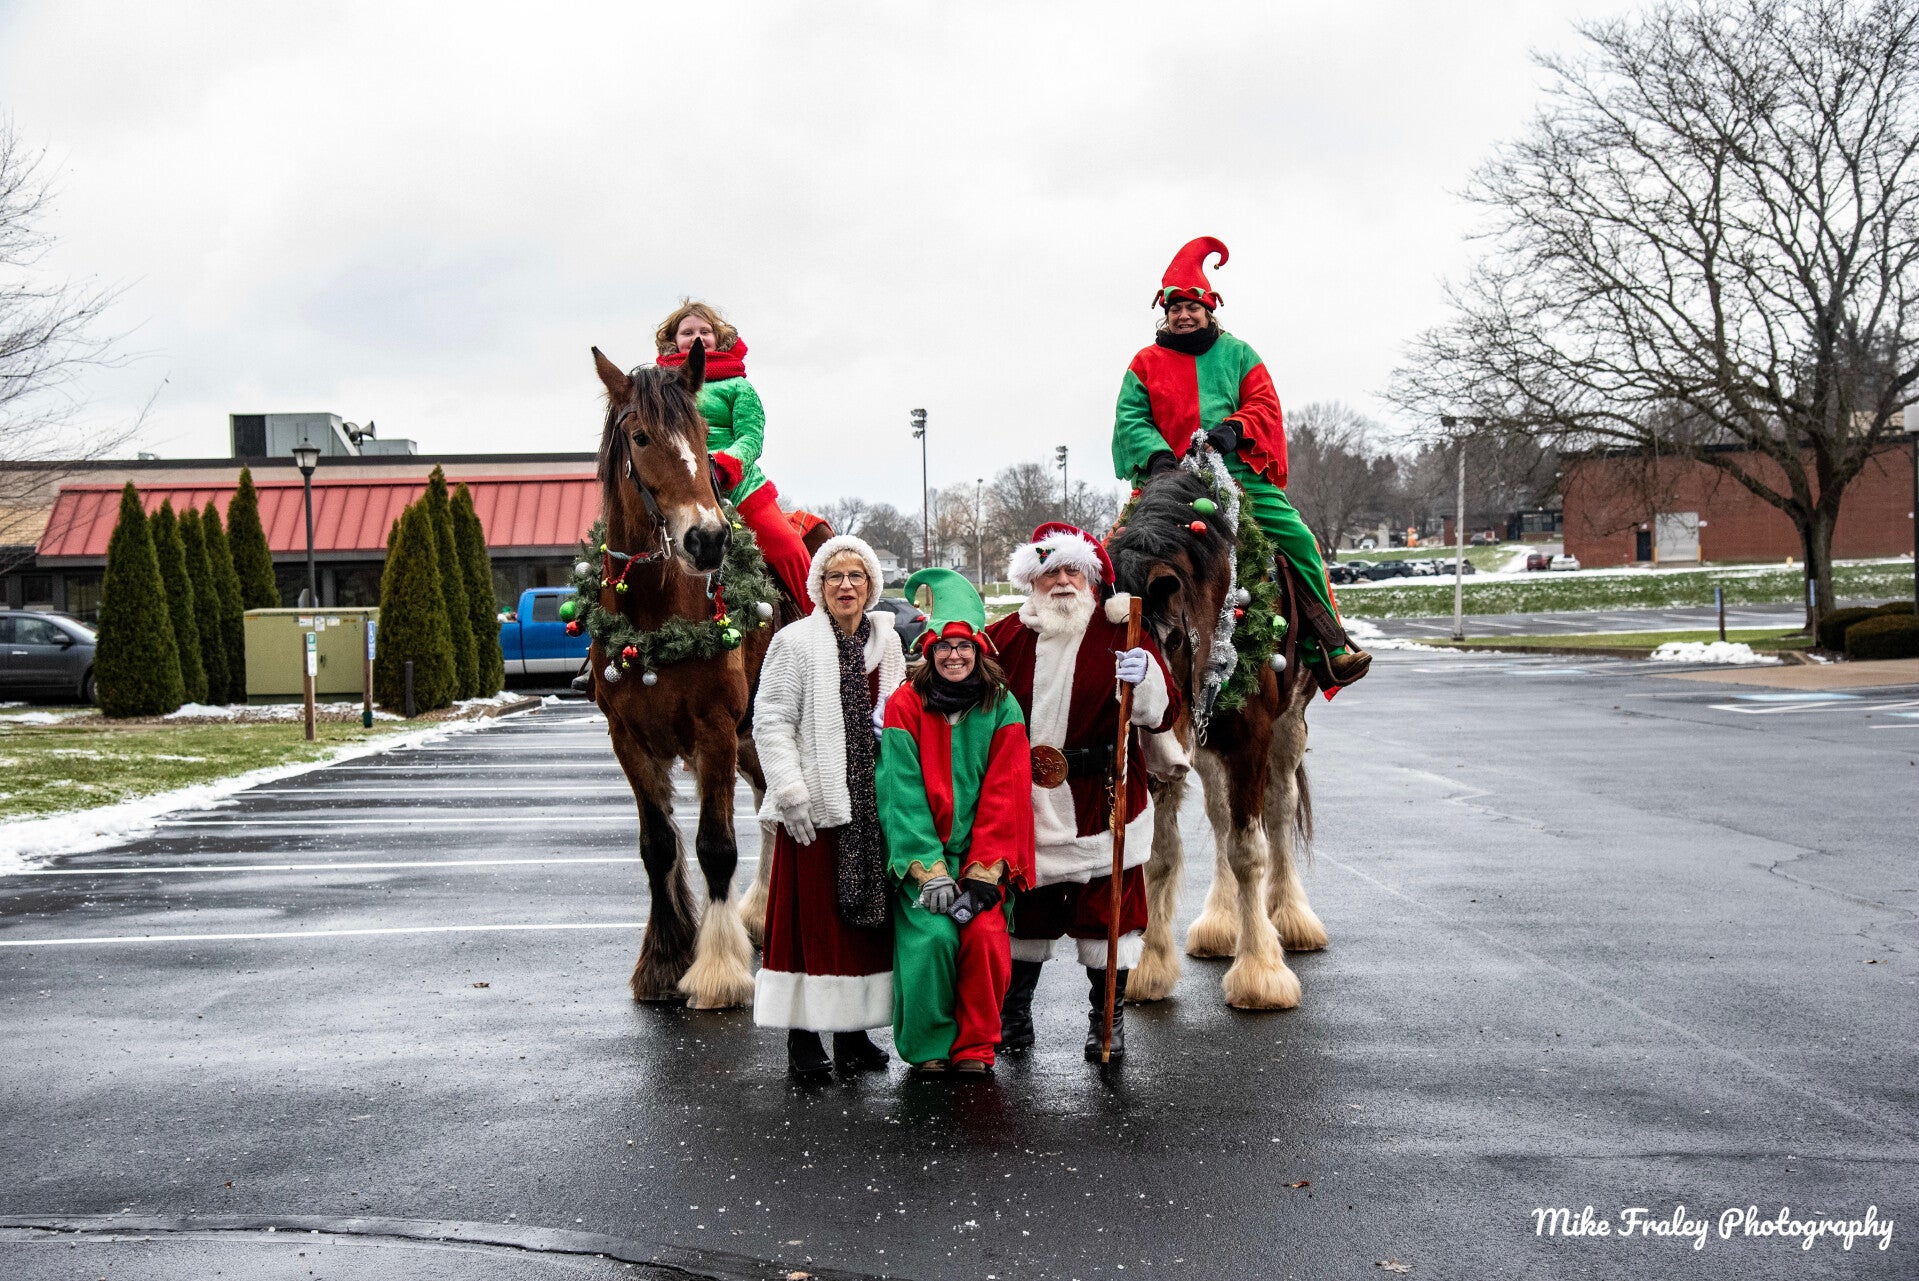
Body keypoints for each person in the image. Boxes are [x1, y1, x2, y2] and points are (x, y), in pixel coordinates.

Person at [1111, 238, 1371, 691]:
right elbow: (1131, 417)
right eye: (1175, 308)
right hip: (1168, 484)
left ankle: (1330, 646)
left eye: (1192, 307)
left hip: (1240, 480)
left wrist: (1232, 429)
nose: (1184, 315)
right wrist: (1157, 457)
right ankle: (1106, 653)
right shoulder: (1144, 363)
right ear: (1165, 313)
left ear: (1209, 310)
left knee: (1301, 541)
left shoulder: (1240, 354)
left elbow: (1263, 403)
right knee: (1113, 553)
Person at [982, 524, 1179, 1062]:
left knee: (1109, 914)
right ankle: (1014, 1015)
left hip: (1104, 797)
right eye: (1050, 572)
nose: (1063, 581)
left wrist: (1147, 677)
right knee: (1027, 910)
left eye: (1073, 570)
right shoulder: (1002, 637)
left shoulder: (1124, 632)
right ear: (1032, 580)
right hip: (1027, 800)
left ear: (1091, 577)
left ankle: (1106, 1018)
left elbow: (1162, 714)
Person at [751, 534, 906, 1082]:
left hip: (872, 806)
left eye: (856, 576)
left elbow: (900, 714)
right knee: (809, 924)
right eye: (835, 576)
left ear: (871, 585)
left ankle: (852, 1034)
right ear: (819, 585)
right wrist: (790, 793)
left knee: (861, 925)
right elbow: (771, 720)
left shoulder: (887, 643)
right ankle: (802, 1037)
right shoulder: (793, 642)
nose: (846, 585)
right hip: (814, 811)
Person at [877, 569, 1035, 1078]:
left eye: (964, 647)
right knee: (933, 938)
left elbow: (1007, 794)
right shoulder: (905, 704)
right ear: (929, 651)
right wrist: (930, 871)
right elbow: (900, 792)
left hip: (982, 862)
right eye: (944, 647)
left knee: (984, 937)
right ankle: (930, 1046)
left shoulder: (1002, 706)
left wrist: (984, 874)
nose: (954, 656)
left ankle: (975, 1047)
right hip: (923, 861)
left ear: (979, 651)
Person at [654, 300, 817, 612]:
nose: (697, 337)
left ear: (718, 338)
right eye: (687, 332)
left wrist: (724, 464)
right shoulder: (659, 391)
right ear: (672, 340)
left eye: (705, 331)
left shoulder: (738, 386)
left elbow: (751, 437)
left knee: (789, 548)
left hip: (741, 488)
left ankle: (822, 621)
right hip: (679, 489)